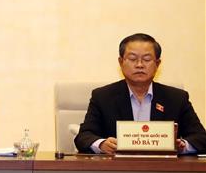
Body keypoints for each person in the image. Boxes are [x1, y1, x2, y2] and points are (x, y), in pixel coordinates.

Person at [74, 33, 206, 154]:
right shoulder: (103, 96)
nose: (139, 65)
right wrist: (102, 144)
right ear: (121, 62)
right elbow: (83, 137)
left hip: (163, 168)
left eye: (147, 59)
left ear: (157, 64)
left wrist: (182, 145)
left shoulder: (176, 98)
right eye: (132, 59)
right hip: (118, 169)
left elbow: (201, 138)